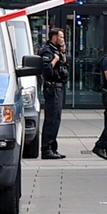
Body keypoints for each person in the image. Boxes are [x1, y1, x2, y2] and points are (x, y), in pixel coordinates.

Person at [39, 28, 69, 160]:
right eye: (61, 37)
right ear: (54, 37)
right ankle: (46, 149)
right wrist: (55, 60)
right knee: (51, 119)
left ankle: (53, 148)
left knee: (56, 119)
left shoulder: (57, 51)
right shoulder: (47, 51)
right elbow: (46, 70)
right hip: (52, 89)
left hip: (59, 87)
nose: (63, 40)